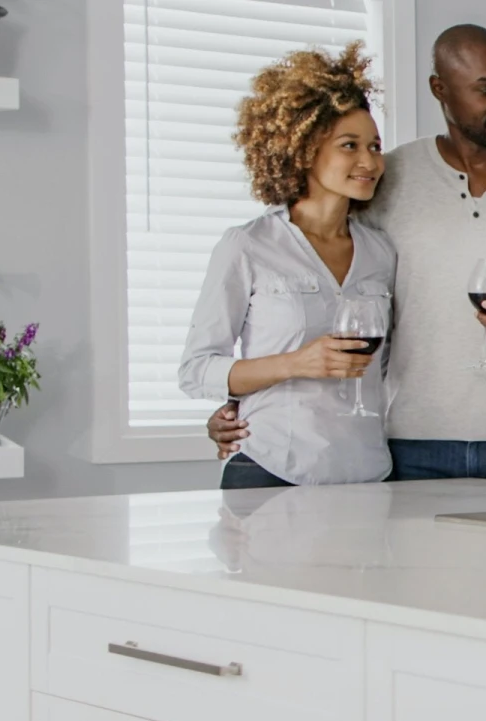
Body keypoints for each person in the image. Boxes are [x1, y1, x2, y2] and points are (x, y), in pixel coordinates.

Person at [208, 23, 486, 486]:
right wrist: (244, 404)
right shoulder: (387, 178)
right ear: (440, 89)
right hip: (406, 444)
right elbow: (317, 291)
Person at [179, 44, 395, 489]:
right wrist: (295, 363)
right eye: (350, 146)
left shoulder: (382, 252)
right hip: (271, 468)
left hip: (368, 474)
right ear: (304, 149)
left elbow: (390, 365)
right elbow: (197, 370)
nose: (370, 161)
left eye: (375, 146)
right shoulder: (248, 246)